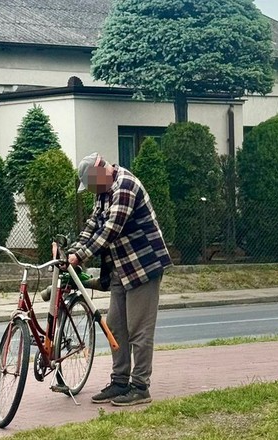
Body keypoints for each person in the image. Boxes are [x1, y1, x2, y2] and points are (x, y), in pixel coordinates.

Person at [68, 152, 172, 407]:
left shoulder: (125, 185)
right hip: (120, 268)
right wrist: (72, 250)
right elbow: (93, 224)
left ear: (100, 170)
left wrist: (80, 256)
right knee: (116, 327)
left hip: (143, 267)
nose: (93, 190)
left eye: (92, 184)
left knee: (139, 330)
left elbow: (110, 230)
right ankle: (119, 381)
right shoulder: (103, 191)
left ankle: (139, 387)